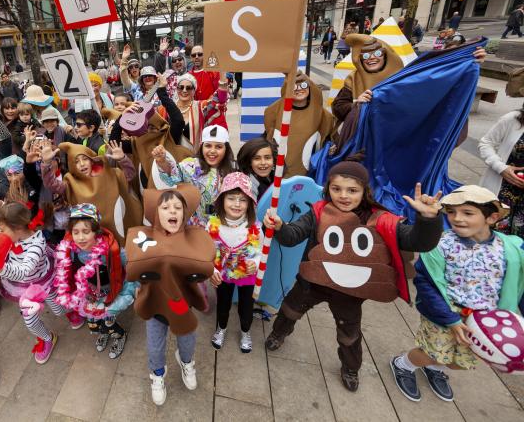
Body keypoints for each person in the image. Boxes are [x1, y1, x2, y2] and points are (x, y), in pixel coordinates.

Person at [262, 161, 444, 392]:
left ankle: (350, 367)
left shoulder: (379, 221)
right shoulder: (318, 212)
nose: (343, 196)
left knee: (349, 334)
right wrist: (280, 226)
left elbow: (418, 242)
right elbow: (292, 236)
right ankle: (279, 333)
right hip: (312, 283)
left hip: (350, 292)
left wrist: (428, 220)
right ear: (328, 188)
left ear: (364, 191)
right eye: (336, 189)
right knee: (290, 309)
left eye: (352, 190)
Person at [390, 185, 524, 403]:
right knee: (430, 352)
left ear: (492, 217)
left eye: (468, 213)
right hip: (443, 313)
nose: (457, 219)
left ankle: (434, 367)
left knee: (460, 361)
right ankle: (404, 363)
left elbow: (519, 283)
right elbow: (425, 282)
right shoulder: (441, 244)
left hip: (484, 322)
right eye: (451, 212)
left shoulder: (511, 248)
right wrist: (450, 319)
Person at [124, 186, 216, 406]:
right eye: (165, 207)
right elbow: (132, 266)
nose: (172, 211)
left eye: (177, 207)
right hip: (154, 306)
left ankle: (186, 362)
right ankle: (157, 374)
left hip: (182, 305)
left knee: (187, 341)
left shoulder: (195, 237)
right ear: (156, 213)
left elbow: (206, 260)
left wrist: (214, 270)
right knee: (155, 346)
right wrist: (133, 288)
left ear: (184, 214)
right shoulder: (142, 237)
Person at [0, 202, 83, 364]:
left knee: (58, 310)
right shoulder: (12, 237)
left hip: (44, 282)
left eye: (2, 230)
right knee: (29, 320)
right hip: (26, 289)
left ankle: (70, 310)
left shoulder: (36, 245)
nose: (0, 233)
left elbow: (25, 271)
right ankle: (47, 338)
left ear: (17, 227)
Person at [54, 204, 138, 359]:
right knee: (94, 324)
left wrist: (128, 292)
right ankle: (104, 333)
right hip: (88, 294)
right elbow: (66, 273)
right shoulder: (70, 251)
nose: (80, 237)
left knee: (108, 321)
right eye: (76, 232)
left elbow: (131, 267)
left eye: (86, 232)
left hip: (109, 294)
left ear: (96, 231)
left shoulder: (110, 250)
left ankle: (119, 335)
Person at [208, 173, 260, 353]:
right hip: (223, 273)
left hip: (246, 274)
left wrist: (255, 262)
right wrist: (212, 269)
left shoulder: (254, 227)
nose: (237, 204)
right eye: (231, 198)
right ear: (222, 200)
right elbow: (209, 251)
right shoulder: (213, 225)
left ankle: (246, 331)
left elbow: (259, 251)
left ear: (250, 204)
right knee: (223, 303)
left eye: (242, 200)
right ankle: (221, 328)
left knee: (246, 306)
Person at [154, 125, 236, 227]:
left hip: (224, 227)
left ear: (226, 148)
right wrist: (162, 161)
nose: (212, 151)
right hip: (194, 226)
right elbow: (172, 177)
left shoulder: (234, 170)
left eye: (218, 147)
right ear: (202, 146)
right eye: (208, 146)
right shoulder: (190, 165)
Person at [264, 72, 333, 178]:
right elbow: (268, 136)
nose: (299, 89)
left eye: (304, 85)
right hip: (281, 174)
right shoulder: (274, 111)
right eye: (294, 86)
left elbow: (327, 137)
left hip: (309, 174)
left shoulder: (323, 115)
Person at [478, 105, 524, 237]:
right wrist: (501, 168)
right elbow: (486, 143)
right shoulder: (513, 119)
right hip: (502, 192)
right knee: (492, 238)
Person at [173, 73, 229, 152]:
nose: (184, 90)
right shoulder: (167, 108)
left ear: (194, 90)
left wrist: (222, 72)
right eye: (181, 87)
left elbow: (219, 99)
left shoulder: (200, 107)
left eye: (188, 88)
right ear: (177, 89)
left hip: (193, 159)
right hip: (171, 159)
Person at [236, 137, 277, 203]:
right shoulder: (248, 184)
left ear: (274, 160)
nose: (263, 163)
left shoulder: (276, 176)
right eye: (257, 158)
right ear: (249, 162)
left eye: (267, 158)